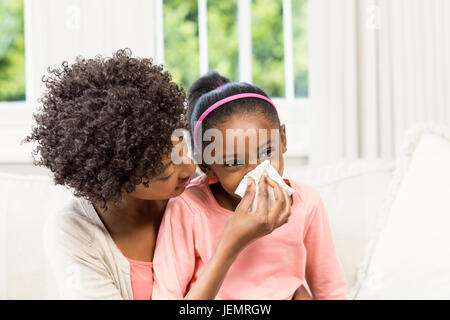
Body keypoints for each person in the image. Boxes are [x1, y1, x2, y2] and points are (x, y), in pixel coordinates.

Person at [25, 49, 294, 299]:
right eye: (166, 173)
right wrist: (230, 245)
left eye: (183, 148)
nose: (191, 168)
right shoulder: (73, 234)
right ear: (117, 183)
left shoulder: (202, 197)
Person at [152, 71, 348, 300]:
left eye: (267, 152)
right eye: (234, 162)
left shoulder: (307, 203)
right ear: (206, 165)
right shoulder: (188, 209)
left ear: (283, 139)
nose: (256, 172)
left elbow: (331, 289)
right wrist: (233, 241)